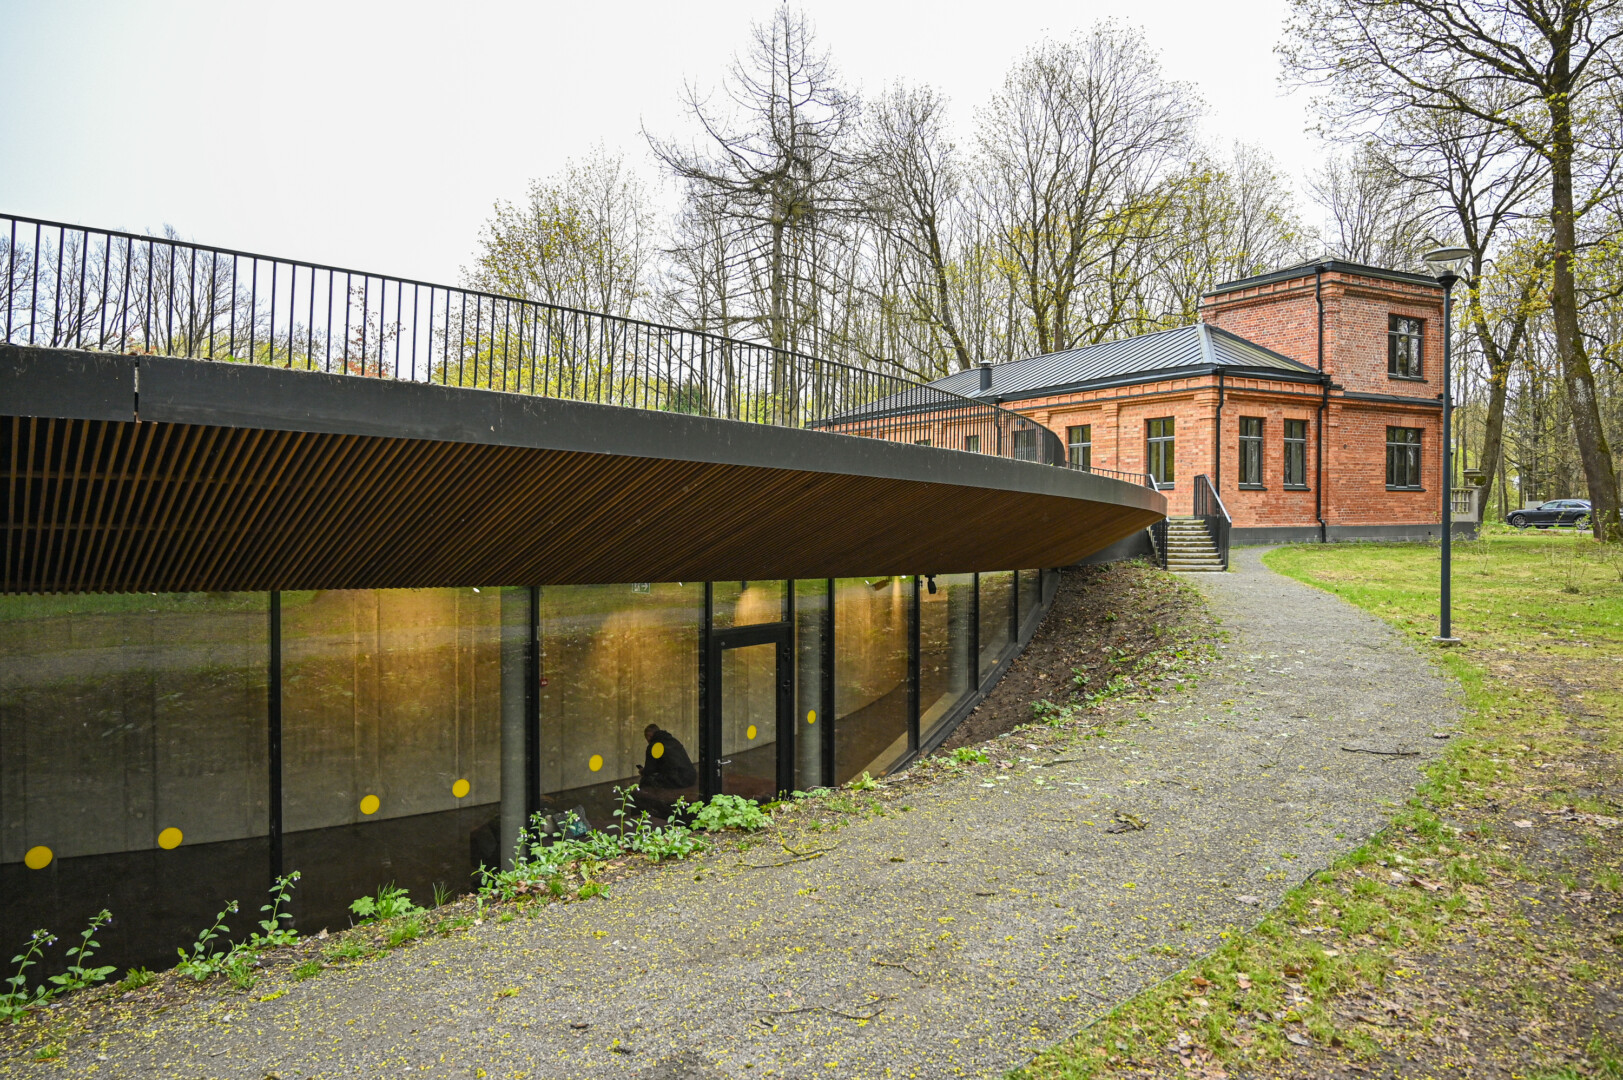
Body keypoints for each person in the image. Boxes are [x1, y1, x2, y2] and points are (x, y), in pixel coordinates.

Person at [634, 724, 697, 818]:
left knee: (646, 780)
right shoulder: (673, 741)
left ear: (649, 736)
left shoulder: (655, 745)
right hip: (691, 776)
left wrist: (643, 771)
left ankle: (642, 812)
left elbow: (650, 770)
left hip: (679, 779)